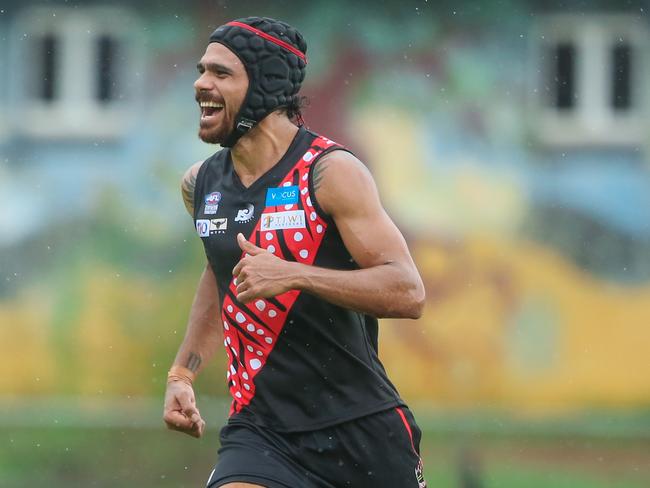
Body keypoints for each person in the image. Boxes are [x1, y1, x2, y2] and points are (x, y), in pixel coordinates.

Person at [163, 16, 427, 488]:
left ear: (265, 85)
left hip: (361, 432)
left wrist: (297, 274)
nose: (201, 84)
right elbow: (219, 271)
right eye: (203, 70)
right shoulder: (200, 184)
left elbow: (408, 292)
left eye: (222, 74)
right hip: (261, 433)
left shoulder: (330, 173)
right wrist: (181, 373)